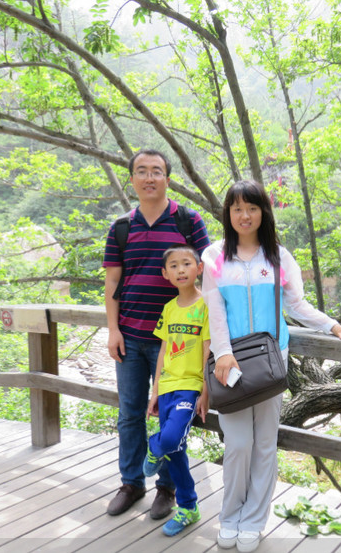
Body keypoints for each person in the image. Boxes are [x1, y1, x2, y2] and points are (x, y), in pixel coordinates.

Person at [201, 180, 341, 552]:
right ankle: (230, 517)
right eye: (237, 208)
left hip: (271, 362)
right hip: (231, 363)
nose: (245, 215)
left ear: (263, 213)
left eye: (253, 208)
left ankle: (253, 521)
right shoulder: (213, 257)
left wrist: (331, 326)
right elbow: (214, 310)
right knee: (238, 444)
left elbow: (296, 305)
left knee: (264, 445)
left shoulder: (277, 255)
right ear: (228, 213)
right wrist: (222, 352)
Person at [103, 149, 210, 520]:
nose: (150, 178)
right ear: (132, 179)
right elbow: (113, 279)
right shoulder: (121, 226)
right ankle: (131, 483)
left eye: (157, 171)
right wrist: (113, 329)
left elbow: (209, 272)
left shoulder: (187, 220)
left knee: (169, 418)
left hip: (179, 341)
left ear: (168, 178)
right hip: (130, 337)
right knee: (130, 413)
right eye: (142, 172)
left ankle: (168, 487)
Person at [144, 244, 210, 537]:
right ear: (165, 274)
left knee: (168, 440)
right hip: (167, 386)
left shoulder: (207, 305)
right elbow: (163, 351)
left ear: (200, 268)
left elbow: (210, 352)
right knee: (177, 453)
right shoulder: (169, 308)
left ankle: (153, 445)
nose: (181, 269)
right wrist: (155, 390)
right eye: (174, 265)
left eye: (187, 263)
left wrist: (206, 392)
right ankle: (188, 507)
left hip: (190, 387)